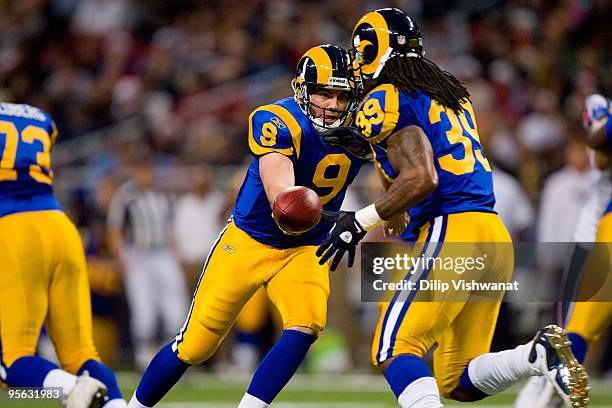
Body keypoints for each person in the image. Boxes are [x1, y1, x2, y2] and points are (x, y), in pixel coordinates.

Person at [317, 8, 589, 408]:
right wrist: (390, 192)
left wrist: (360, 220)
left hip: (453, 231)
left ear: (372, 51)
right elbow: (424, 160)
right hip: (492, 236)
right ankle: (535, 354)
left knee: (393, 348)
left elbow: (423, 177)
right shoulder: (450, 93)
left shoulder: (385, 97)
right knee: (457, 380)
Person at [127, 44, 370, 408]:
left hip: (306, 247)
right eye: (323, 93)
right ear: (302, 89)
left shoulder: (366, 126)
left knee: (306, 323)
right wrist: (321, 211)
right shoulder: (276, 119)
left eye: (341, 95)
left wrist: (386, 206)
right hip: (250, 240)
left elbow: (397, 177)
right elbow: (281, 194)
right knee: (195, 345)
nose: (333, 105)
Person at [0, 102, 126, 407]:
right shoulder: (40, 116)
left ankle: (73, 390)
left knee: (11, 361)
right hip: (60, 225)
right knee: (81, 354)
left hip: (14, 228)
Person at [515, 95, 612, 407]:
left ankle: (544, 387)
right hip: (591, 241)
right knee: (573, 329)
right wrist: (601, 123)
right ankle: (541, 386)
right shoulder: (576, 173)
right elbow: (600, 151)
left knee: (577, 329)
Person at [107, 157, 189, 372]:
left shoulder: (163, 194)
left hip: (163, 253)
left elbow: (171, 227)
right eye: (142, 170)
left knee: (176, 305)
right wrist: (120, 257)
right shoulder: (126, 195)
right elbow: (115, 229)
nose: (146, 175)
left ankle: (175, 356)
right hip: (138, 255)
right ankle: (144, 358)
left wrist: (176, 254)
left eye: (148, 169)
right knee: (144, 308)